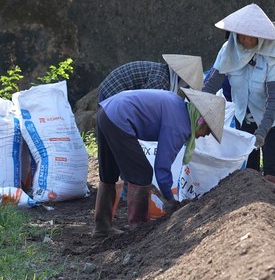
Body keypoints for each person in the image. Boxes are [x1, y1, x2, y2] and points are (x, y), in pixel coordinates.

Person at [93, 88, 224, 237]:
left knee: (109, 172)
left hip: (107, 111)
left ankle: (102, 227)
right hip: (119, 117)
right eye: (209, 129)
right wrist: (169, 199)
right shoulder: (179, 125)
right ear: (201, 121)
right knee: (142, 174)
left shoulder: (178, 106)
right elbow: (162, 167)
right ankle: (139, 230)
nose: (207, 135)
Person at [202, 4, 275, 186]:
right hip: (244, 116)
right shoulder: (228, 51)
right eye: (241, 35)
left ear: (260, 36)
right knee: (248, 174)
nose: (246, 40)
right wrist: (198, 112)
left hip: (272, 119)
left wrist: (263, 131)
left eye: (251, 36)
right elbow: (211, 84)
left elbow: (273, 100)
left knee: (272, 176)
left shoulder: (272, 58)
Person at [98, 54, 203, 102]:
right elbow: (141, 102)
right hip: (113, 91)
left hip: (115, 92)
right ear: (182, 79)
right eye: (189, 83)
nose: (188, 86)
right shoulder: (161, 81)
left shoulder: (164, 73)